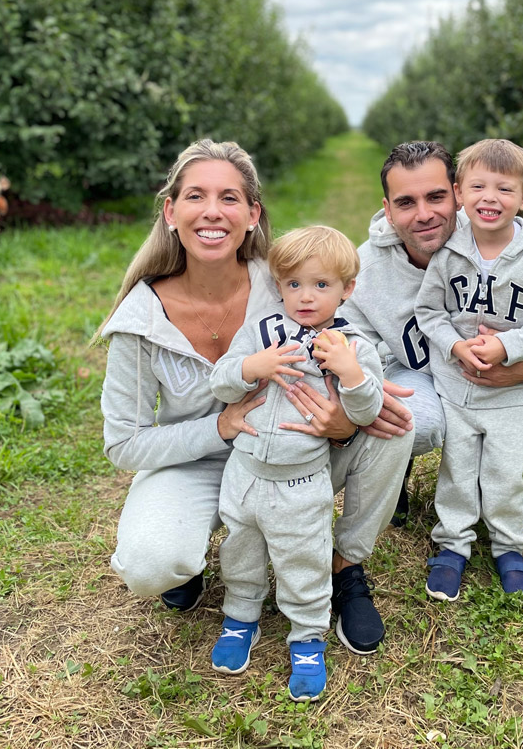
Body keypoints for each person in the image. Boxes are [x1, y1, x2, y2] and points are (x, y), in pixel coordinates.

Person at [97, 139, 411, 658]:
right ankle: (188, 557)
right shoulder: (140, 320)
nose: (213, 212)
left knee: (398, 423)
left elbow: (344, 324)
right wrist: (219, 427)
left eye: (229, 198)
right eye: (196, 196)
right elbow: (123, 445)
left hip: (292, 451)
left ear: (252, 214)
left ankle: (345, 566)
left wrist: (346, 421)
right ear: (171, 212)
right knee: (151, 562)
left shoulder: (287, 281)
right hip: (197, 459)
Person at [338, 141, 523, 526]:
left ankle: (486, 477)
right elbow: (343, 338)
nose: (424, 215)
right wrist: (371, 379)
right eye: (406, 203)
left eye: (436, 197)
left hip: (500, 383)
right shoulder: (365, 273)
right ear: (388, 210)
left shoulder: (502, 242)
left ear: (457, 194)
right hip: (422, 379)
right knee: (415, 419)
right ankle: (393, 470)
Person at [208, 226, 383, 701]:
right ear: (280, 285)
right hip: (244, 474)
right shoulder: (260, 332)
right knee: (240, 550)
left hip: (301, 481)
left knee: (303, 559)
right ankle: (241, 617)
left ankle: (307, 635)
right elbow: (221, 382)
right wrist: (251, 368)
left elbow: (367, 412)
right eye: (294, 284)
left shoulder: (355, 347)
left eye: (322, 285)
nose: (306, 297)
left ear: (347, 290)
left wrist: (350, 375)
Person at [415, 138, 523, 600]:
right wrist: (456, 346)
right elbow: (430, 313)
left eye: (504, 189)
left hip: (510, 391)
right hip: (456, 384)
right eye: (478, 186)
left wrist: (506, 345)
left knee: (506, 471)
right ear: (459, 192)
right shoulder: (448, 252)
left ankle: (509, 548)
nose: (490, 198)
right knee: (458, 469)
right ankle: (452, 546)